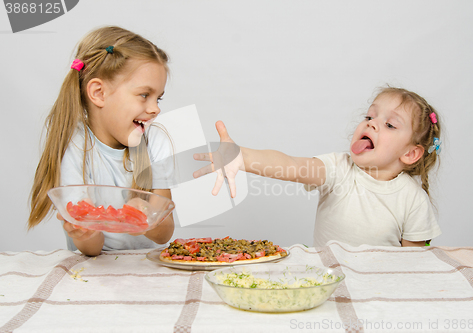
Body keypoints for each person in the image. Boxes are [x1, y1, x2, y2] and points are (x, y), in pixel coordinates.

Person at [194, 87, 442, 247]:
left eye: (390, 125)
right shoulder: (338, 169)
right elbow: (290, 166)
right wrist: (241, 157)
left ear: (410, 153)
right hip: (328, 285)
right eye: (369, 117)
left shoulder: (413, 200)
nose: (372, 124)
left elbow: (413, 267)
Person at [28, 26, 176, 256]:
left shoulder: (155, 141)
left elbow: (165, 234)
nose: (155, 108)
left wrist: (147, 217)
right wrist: (84, 232)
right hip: (95, 269)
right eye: (145, 95)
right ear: (98, 93)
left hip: (147, 265)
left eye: (159, 97)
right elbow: (92, 249)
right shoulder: (75, 145)